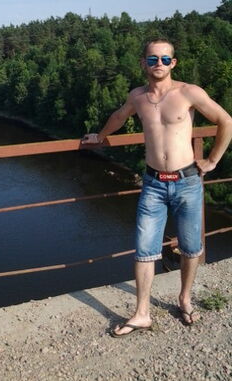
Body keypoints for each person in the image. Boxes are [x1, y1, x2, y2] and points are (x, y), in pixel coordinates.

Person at [81, 39, 232, 337]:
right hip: (153, 183)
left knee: (190, 247)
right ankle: (142, 314)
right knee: (144, 250)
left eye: (164, 59)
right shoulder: (137, 96)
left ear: (173, 63)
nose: (158, 64)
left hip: (187, 181)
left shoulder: (189, 92)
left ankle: (185, 299)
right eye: (152, 59)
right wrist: (100, 135)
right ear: (143, 63)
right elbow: (119, 116)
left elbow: (225, 121)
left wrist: (213, 160)